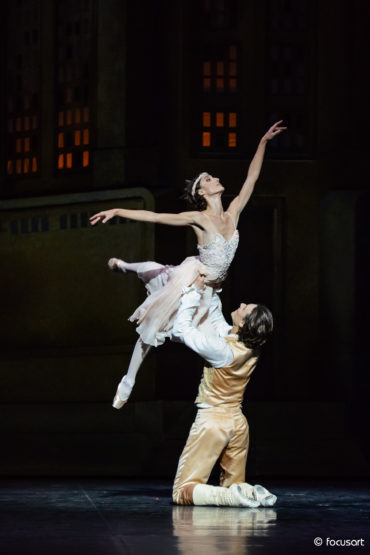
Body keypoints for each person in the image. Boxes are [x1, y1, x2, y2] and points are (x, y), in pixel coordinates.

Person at [89, 121, 287, 408]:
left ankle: (124, 266)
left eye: (211, 176)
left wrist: (263, 142)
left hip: (211, 292)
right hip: (193, 278)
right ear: (201, 193)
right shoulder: (199, 220)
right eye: (207, 178)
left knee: (217, 333)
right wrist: (117, 210)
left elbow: (251, 178)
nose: (214, 178)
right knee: (153, 319)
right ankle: (129, 379)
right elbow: (157, 218)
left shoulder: (233, 214)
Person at [171, 276, 276, 508]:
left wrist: (191, 295)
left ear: (243, 323)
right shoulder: (252, 346)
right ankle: (253, 494)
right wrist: (210, 289)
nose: (240, 306)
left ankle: (227, 497)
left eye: (244, 309)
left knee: (182, 490)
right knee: (233, 483)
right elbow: (219, 323)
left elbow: (181, 330)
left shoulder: (221, 350)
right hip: (238, 424)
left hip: (213, 421)